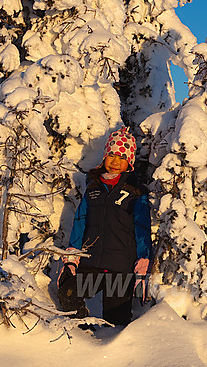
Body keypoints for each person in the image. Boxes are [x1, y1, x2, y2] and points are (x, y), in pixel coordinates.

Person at [57, 127, 151, 326]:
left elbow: (142, 229)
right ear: (104, 156)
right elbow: (80, 221)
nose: (115, 162)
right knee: (68, 292)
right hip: (92, 265)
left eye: (121, 157)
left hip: (120, 268)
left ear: (129, 163)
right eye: (111, 155)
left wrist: (142, 263)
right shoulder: (93, 188)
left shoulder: (135, 192)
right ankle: (82, 338)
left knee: (116, 321)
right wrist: (72, 258)